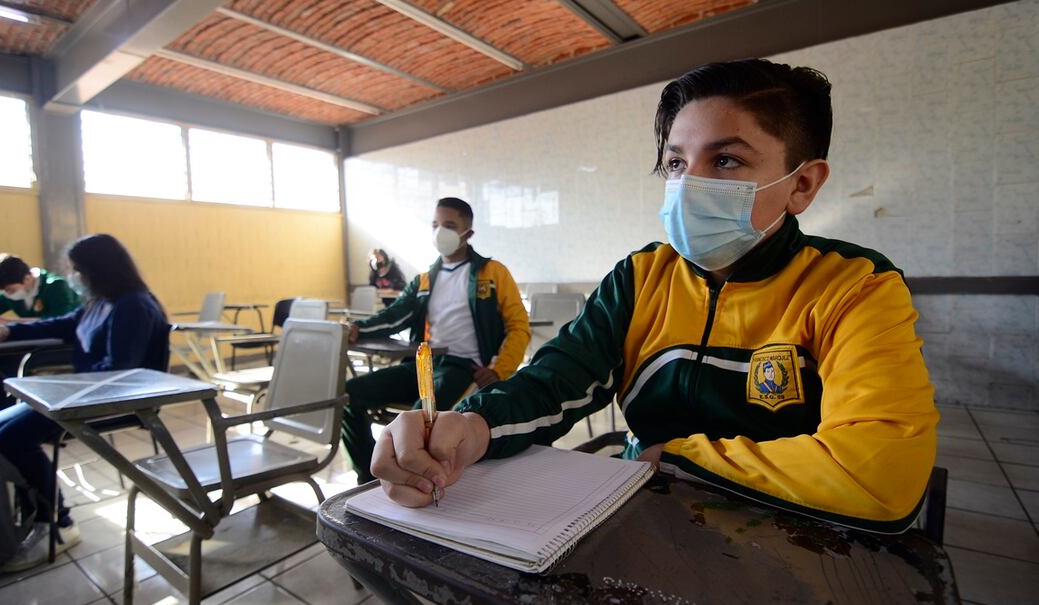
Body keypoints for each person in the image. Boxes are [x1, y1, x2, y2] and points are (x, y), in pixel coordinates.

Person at [369, 59, 938, 537]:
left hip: (791, 543)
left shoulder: (854, 286)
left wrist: (679, 459)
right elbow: (555, 383)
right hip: (639, 519)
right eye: (675, 162)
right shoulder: (642, 277)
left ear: (802, 184)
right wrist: (469, 427)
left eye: (726, 160)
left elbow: (881, 471)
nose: (689, 184)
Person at [0, 234, 170, 572]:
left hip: (110, 399)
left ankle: (57, 523)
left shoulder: (134, 304)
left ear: (97, 269)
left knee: (13, 438)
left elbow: (121, 373)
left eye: (77, 270)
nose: (74, 276)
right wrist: (8, 332)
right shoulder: (100, 301)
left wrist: (59, 388)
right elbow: (63, 324)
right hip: (80, 393)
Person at [342, 197, 530, 484]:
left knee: (417, 420)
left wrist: (498, 370)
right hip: (423, 363)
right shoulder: (425, 280)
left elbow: (519, 327)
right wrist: (359, 329)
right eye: (435, 225)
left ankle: (410, 483)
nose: (440, 231)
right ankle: (369, 479)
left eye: (450, 225)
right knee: (348, 395)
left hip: (462, 367)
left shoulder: (492, 273)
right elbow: (394, 316)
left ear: (468, 233)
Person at [0, 255, 81, 417]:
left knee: (6, 363)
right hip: (26, 342)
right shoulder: (12, 294)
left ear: (27, 278)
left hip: (58, 347)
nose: (8, 294)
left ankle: (1, 417)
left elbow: (59, 322)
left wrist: (7, 321)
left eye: (9, 290)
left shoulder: (56, 286)